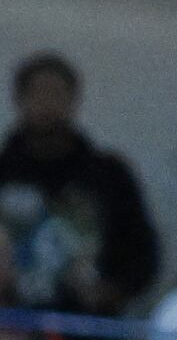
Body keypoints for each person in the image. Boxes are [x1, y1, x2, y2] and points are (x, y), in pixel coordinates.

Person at [1, 50, 160, 307]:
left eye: (56, 94)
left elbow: (141, 254)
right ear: (18, 100)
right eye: (37, 93)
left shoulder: (108, 175)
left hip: (85, 330)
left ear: (74, 101)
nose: (47, 104)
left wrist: (112, 290)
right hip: (9, 326)